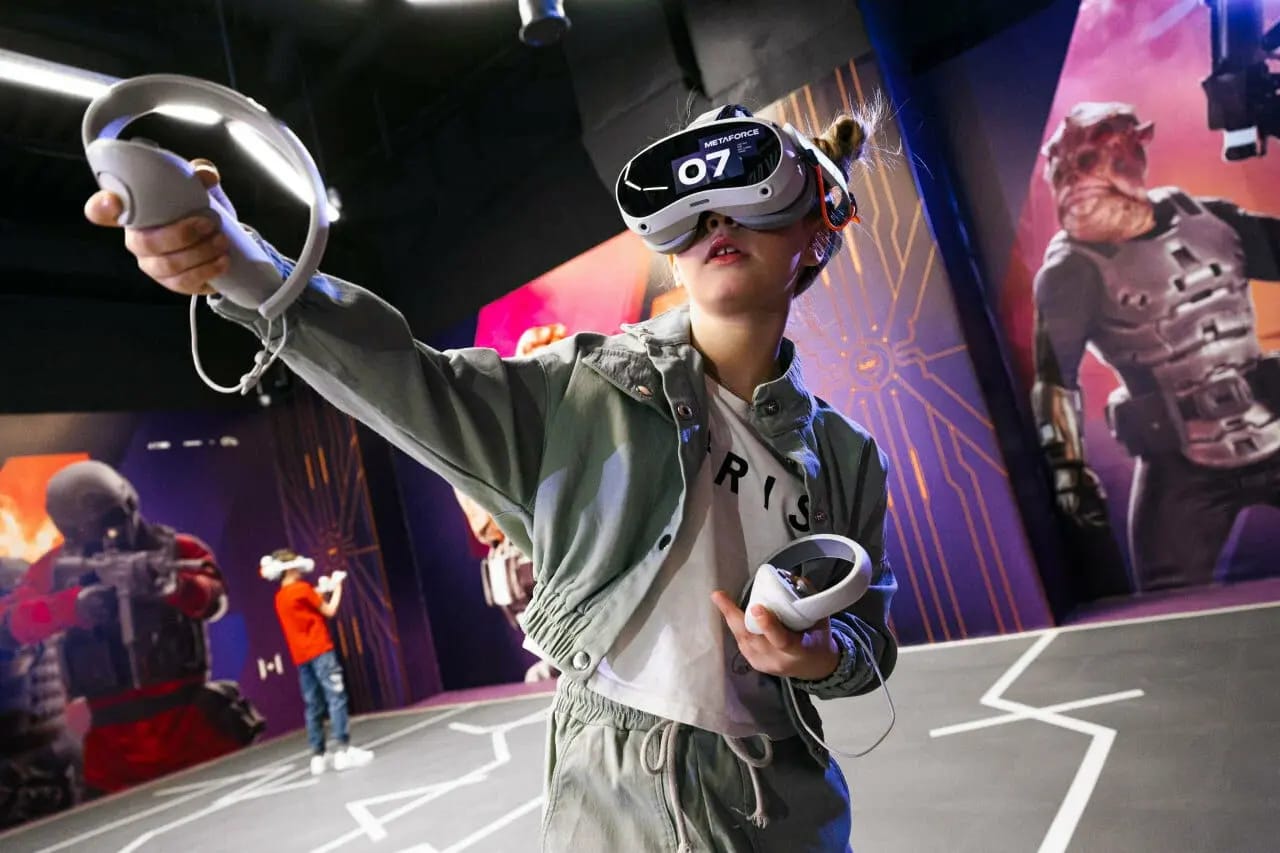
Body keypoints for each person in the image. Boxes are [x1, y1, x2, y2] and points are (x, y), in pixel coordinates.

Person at [86, 101, 897, 851]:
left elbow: (868, 641)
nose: (717, 220)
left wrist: (820, 655)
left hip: (788, 811)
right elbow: (404, 381)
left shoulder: (848, 455)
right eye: (692, 211)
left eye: (751, 196)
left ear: (818, 230)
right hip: (618, 810)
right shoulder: (583, 392)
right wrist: (245, 266)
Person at [1032, 101, 1280, 592]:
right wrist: (1067, 467)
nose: (1078, 179)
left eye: (1093, 158)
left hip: (1272, 424)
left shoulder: (1211, 220)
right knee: (1168, 598)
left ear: (1131, 153)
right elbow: (1056, 377)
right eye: (1069, 166)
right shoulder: (1071, 270)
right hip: (1184, 465)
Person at [2, 461, 263, 795]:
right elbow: (9, 624)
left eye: (111, 521)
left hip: (189, 723)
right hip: (111, 742)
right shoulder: (53, 570)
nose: (107, 537)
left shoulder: (178, 550)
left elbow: (214, 599)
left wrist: (173, 585)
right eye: (89, 531)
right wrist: (71, 607)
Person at [260, 549, 372, 775]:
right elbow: (329, 610)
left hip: (301, 658)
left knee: (313, 705)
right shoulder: (302, 589)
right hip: (321, 650)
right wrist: (338, 587)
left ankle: (318, 756)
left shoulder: (280, 597)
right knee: (336, 697)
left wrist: (321, 591)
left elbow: (306, 602)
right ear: (289, 568)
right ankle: (343, 750)